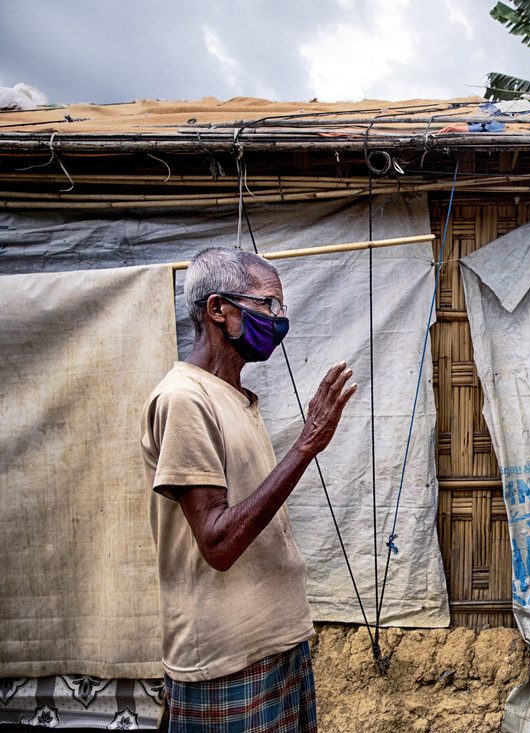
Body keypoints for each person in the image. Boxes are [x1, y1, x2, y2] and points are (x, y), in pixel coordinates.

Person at [140, 247, 357, 732]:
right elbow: (218, 543)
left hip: (274, 644)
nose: (279, 320)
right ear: (218, 309)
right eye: (267, 305)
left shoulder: (233, 398)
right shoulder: (184, 400)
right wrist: (306, 445)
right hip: (227, 659)